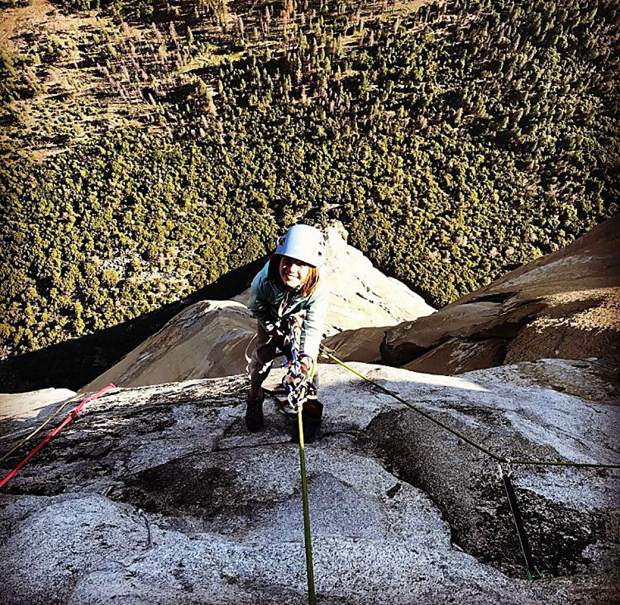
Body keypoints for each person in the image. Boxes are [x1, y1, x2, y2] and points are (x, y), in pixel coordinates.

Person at [246, 223, 327, 441]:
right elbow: (256, 308)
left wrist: (306, 358)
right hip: (270, 315)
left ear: (312, 269)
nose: (291, 268)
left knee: (308, 368)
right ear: (278, 259)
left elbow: (313, 326)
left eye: (300, 264)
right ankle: (254, 397)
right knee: (262, 359)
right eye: (287, 261)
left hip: (298, 315)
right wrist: (273, 330)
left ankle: (308, 411)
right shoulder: (263, 281)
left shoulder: (317, 290)